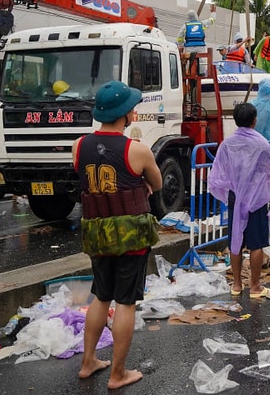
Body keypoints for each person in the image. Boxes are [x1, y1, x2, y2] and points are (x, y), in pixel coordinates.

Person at [74, 81, 162, 389]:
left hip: (97, 233)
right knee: (125, 301)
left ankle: (88, 362)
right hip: (130, 236)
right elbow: (157, 184)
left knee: (101, 296)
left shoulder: (79, 145)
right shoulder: (136, 149)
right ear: (125, 114)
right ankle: (118, 373)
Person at [208, 103, 270, 303]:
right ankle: (255, 286)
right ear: (254, 120)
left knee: (236, 239)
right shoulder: (261, 143)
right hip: (256, 197)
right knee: (256, 243)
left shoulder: (227, 144)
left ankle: (236, 285)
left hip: (236, 196)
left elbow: (218, 170)